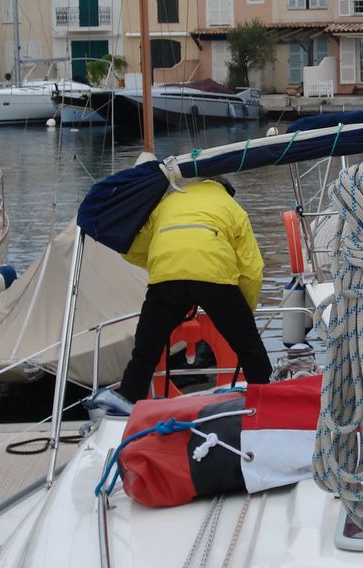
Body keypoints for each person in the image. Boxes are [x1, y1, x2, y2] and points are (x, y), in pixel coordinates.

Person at [89, 175, 272, 412]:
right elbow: (251, 269)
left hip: (166, 278)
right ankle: (266, 397)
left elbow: (133, 248)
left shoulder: (169, 201)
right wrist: (246, 309)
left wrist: (166, 263)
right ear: (226, 190)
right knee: (248, 345)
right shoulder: (232, 207)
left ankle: (128, 399)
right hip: (214, 275)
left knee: (146, 350)